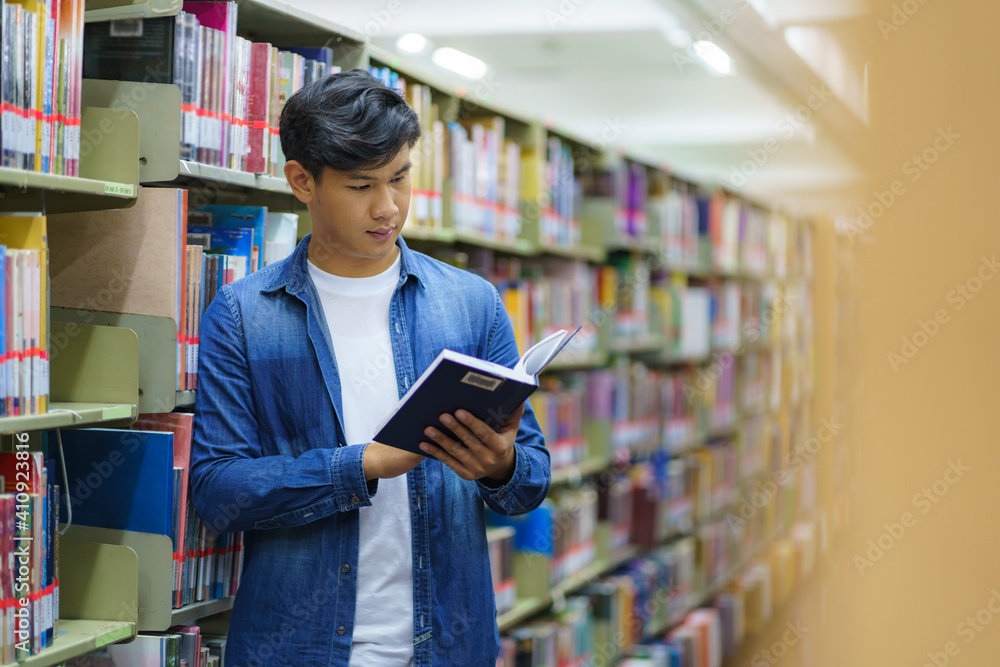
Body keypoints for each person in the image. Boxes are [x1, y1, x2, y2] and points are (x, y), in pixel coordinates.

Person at [189, 69, 551, 667]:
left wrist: (500, 466)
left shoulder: (471, 302)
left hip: (448, 647)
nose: (388, 208)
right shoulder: (244, 314)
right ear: (302, 180)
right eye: (362, 186)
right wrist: (362, 465)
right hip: (296, 649)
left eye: (400, 178)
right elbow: (218, 491)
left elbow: (529, 484)